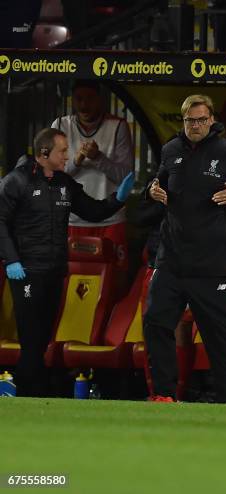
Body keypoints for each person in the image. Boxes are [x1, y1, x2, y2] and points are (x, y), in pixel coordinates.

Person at [0, 127, 134, 397]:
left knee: (43, 338)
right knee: (31, 339)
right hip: (25, 271)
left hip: (54, 272)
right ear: (44, 152)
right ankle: (29, 394)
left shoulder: (64, 183)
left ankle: (35, 394)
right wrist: (11, 260)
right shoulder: (16, 181)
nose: (67, 156)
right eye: (62, 151)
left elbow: (93, 212)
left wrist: (117, 199)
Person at [144, 94, 226, 404]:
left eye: (201, 120)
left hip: (211, 264)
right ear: (183, 121)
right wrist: (153, 189)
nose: (195, 126)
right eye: (189, 120)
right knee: (155, 320)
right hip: (171, 258)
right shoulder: (170, 150)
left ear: (211, 121)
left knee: (220, 337)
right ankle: (165, 394)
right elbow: (159, 180)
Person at [51, 80, 134, 270]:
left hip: (111, 219)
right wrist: (77, 161)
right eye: (79, 99)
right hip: (71, 218)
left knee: (113, 281)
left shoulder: (118, 125)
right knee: (72, 283)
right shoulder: (60, 125)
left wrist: (98, 158)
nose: (83, 105)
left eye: (89, 99)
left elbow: (125, 177)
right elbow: (52, 175)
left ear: (100, 99)